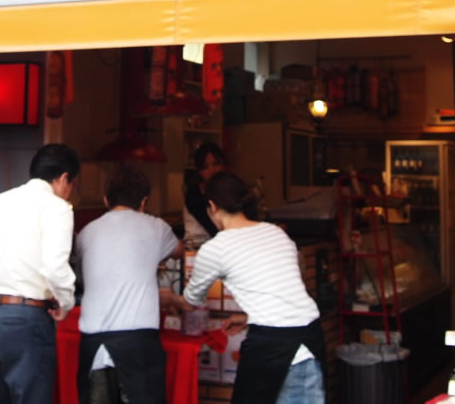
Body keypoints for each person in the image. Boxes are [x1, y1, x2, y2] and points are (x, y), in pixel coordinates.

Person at [0, 144, 80, 404]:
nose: (70, 192)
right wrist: (66, 303)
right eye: (72, 185)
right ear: (64, 178)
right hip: (27, 319)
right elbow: (55, 266)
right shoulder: (57, 208)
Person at [184, 172, 326, 404]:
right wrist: (249, 318)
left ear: (212, 206)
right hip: (307, 339)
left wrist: (165, 297)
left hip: (281, 347)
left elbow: (190, 301)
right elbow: (285, 296)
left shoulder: (216, 248)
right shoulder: (276, 232)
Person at [73, 164, 181, 404]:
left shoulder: (86, 233)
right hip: (138, 344)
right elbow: (180, 251)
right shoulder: (156, 227)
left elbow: (83, 278)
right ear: (144, 202)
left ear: (105, 199)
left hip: (93, 344)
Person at [183, 141, 227, 246]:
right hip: (196, 246)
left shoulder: (227, 189)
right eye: (205, 167)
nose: (212, 171)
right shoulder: (194, 194)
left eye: (216, 164)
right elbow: (211, 228)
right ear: (199, 171)